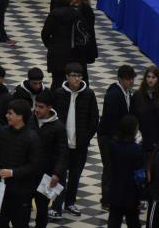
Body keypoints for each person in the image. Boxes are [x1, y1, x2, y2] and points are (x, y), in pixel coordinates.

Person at [54, 63, 99, 216]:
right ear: (67, 76)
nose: (77, 79)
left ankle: (70, 203)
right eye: (73, 75)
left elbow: (94, 119)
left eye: (79, 76)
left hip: (80, 145)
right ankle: (56, 206)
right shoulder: (59, 93)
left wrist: (86, 138)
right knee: (60, 176)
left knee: (75, 176)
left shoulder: (89, 94)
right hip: (62, 145)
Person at [0, 99, 41, 227]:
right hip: (1, 189)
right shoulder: (2, 132)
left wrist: (12, 173)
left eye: (10, 113)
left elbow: (34, 165)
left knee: (20, 224)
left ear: (20, 116)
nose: (6, 116)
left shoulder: (32, 137)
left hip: (22, 192)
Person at [98, 65, 136, 208]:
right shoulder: (114, 94)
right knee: (109, 168)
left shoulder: (126, 92)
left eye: (132, 79)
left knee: (114, 168)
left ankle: (112, 196)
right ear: (120, 79)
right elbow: (111, 119)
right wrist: (117, 138)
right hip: (108, 137)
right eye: (128, 79)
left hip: (116, 137)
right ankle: (106, 199)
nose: (131, 82)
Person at [32, 91, 68, 226]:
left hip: (45, 175)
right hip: (28, 172)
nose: (37, 110)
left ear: (49, 107)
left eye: (41, 107)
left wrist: (57, 173)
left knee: (42, 209)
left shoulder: (58, 127)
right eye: (36, 106)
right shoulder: (30, 119)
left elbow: (62, 153)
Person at [106, 115, 145, 228]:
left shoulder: (113, 146)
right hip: (131, 192)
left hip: (115, 189)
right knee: (133, 221)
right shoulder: (137, 149)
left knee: (113, 221)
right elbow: (140, 174)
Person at [41, 0, 81, 90]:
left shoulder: (54, 14)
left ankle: (54, 102)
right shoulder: (75, 13)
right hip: (72, 51)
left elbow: (45, 33)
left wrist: (49, 44)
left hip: (56, 51)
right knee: (71, 81)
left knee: (57, 80)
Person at [132, 66, 159, 157]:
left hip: (157, 137)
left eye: (153, 77)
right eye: (148, 77)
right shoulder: (138, 95)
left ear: (158, 79)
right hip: (141, 136)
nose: (150, 80)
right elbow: (133, 115)